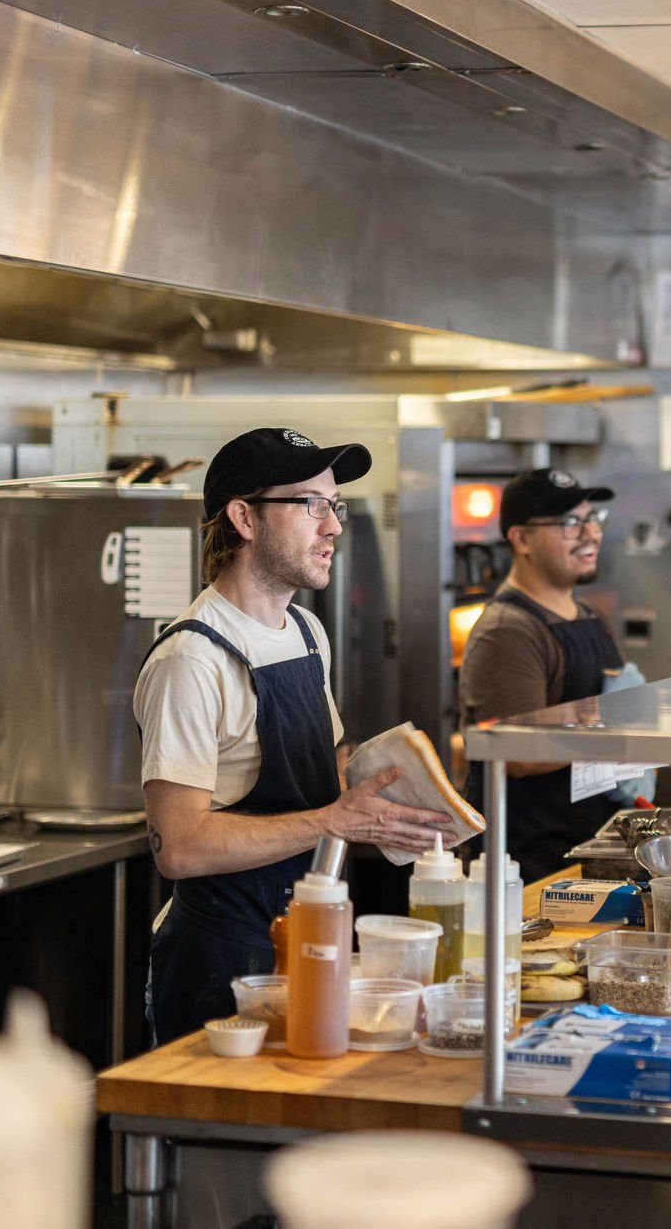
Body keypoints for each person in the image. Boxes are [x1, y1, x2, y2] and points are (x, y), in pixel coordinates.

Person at [135, 427, 451, 1043]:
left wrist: (402, 803)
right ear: (244, 517)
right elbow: (178, 846)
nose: (332, 526)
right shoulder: (192, 658)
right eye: (311, 505)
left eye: (336, 506)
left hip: (305, 933)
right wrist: (336, 821)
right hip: (222, 959)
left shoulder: (306, 632)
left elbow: (324, 781)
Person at [458, 467, 622, 884]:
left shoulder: (588, 616)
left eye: (592, 518)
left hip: (583, 845)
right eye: (570, 523)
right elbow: (519, 753)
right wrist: (618, 724)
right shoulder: (508, 631)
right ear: (521, 539)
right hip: (527, 863)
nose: (590, 533)